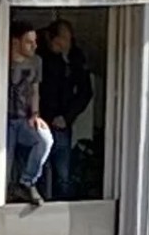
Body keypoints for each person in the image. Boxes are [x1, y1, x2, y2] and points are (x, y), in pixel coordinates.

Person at [39, 20, 93, 202]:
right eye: (61, 39)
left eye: (68, 40)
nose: (65, 44)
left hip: (61, 122)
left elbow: (85, 92)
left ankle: (62, 206)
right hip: (39, 121)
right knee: (39, 171)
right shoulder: (41, 56)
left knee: (63, 173)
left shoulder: (75, 58)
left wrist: (68, 116)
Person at [5, 21, 53, 206]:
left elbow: (35, 89)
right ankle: (7, 193)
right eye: (29, 42)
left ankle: (27, 182)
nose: (34, 46)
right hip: (5, 120)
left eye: (35, 41)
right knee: (4, 164)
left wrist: (35, 114)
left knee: (44, 140)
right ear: (15, 42)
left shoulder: (36, 61)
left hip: (24, 118)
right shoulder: (1, 60)